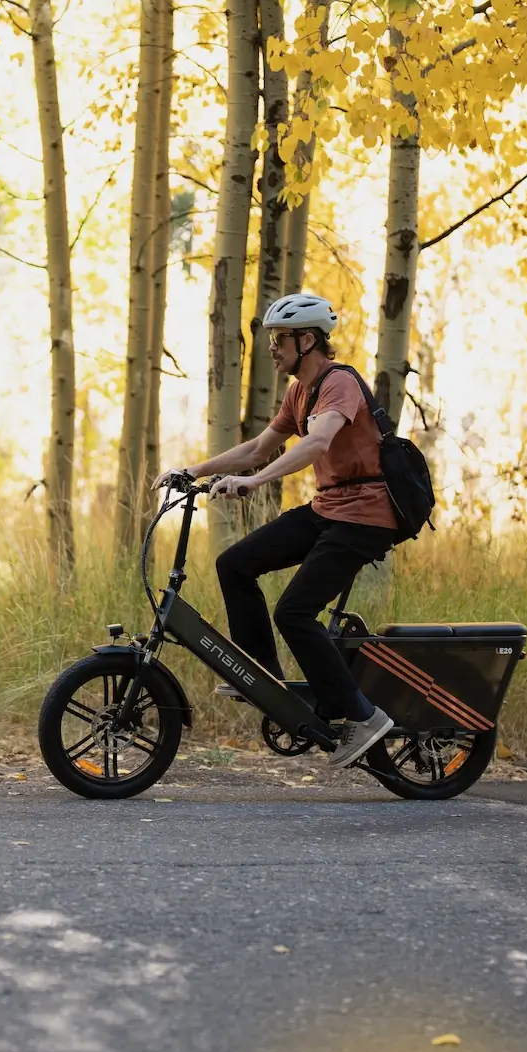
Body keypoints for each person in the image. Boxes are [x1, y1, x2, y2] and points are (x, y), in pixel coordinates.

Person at [160, 293, 397, 767]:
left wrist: (255, 482)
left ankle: (363, 715)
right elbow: (257, 449)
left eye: (279, 339)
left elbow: (317, 443)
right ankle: (262, 676)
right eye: (271, 339)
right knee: (234, 564)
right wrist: (193, 469)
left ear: (307, 341)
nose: (271, 348)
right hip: (329, 509)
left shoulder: (340, 383)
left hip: (364, 516)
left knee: (293, 612)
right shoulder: (298, 392)